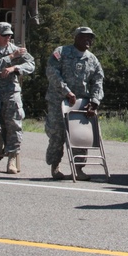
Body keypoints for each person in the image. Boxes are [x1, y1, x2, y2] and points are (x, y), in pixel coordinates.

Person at [44, 26, 105, 180]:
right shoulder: (61, 52)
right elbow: (52, 72)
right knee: (57, 134)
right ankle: (55, 166)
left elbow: (98, 81)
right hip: (59, 101)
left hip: (80, 104)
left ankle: (78, 169)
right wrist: (66, 91)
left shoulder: (92, 59)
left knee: (81, 137)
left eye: (90, 37)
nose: (88, 40)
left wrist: (95, 101)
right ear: (76, 38)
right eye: (84, 37)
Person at [0, 21, 35, 174]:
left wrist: (15, 68)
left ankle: (12, 157)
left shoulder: (17, 49)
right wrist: (11, 57)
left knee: (14, 121)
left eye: (9, 35)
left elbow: (31, 64)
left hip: (11, 89)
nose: (8, 38)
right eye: (4, 35)